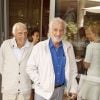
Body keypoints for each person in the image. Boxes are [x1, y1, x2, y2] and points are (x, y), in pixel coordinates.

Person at [26, 17, 78, 100]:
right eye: (55, 30)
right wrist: (40, 82)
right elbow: (30, 68)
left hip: (60, 91)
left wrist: (73, 88)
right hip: (42, 93)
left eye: (61, 30)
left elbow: (73, 70)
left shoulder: (68, 47)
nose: (58, 33)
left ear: (64, 32)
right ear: (50, 31)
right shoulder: (39, 47)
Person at [0, 22, 33, 100]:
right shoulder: (6, 45)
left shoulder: (31, 47)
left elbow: (33, 67)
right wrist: (9, 77)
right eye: (20, 33)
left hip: (25, 90)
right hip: (9, 89)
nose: (23, 36)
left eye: (25, 33)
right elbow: (1, 65)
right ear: (13, 33)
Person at [78, 22, 100, 100]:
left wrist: (83, 61)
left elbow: (86, 65)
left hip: (92, 80)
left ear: (94, 33)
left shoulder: (91, 46)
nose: (87, 36)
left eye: (89, 33)